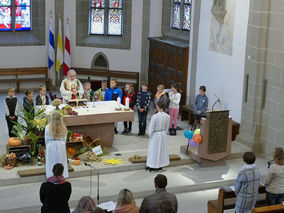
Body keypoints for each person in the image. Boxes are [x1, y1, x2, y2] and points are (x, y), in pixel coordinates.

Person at [146, 101, 170, 172]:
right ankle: (160, 166)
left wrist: (150, 135)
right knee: (161, 150)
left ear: (157, 106)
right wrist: (164, 133)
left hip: (156, 134)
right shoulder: (167, 116)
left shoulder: (155, 116)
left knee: (154, 150)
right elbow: (167, 127)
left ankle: (151, 166)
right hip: (163, 134)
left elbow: (151, 127)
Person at [45, 111, 69, 178]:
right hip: (61, 144)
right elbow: (65, 138)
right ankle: (62, 175)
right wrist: (62, 144)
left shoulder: (47, 127)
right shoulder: (63, 127)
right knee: (61, 161)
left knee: (51, 162)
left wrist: (47, 146)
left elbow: (46, 139)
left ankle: (51, 175)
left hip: (51, 145)